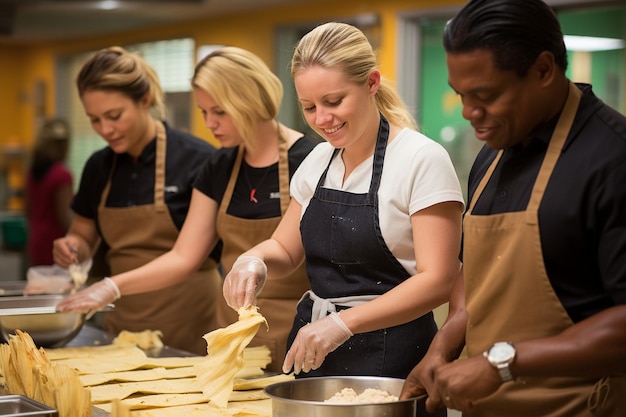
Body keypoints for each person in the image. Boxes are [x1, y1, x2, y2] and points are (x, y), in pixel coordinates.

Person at [399, 1, 626, 416]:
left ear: (543, 70)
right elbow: (485, 274)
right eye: (461, 96)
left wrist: (502, 362)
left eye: (486, 95)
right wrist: (444, 344)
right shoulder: (492, 155)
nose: (469, 113)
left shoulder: (612, 160)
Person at [223, 21, 464, 391]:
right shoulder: (318, 160)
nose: (322, 119)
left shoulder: (421, 159)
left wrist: (342, 324)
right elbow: (285, 249)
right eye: (308, 107)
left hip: (393, 355)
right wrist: (253, 259)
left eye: (334, 102)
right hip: (312, 348)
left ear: (371, 83)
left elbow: (438, 280)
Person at [56, 46, 318, 369]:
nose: (209, 123)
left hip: (300, 333)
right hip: (233, 340)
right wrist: (111, 286)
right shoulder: (218, 166)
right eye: (204, 111)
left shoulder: (311, 161)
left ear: (250, 100)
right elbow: (184, 256)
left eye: (219, 112)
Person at [52, 46, 222, 355]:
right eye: (94, 120)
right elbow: (83, 235)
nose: (106, 129)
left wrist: (111, 285)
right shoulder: (98, 166)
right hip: (123, 326)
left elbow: (189, 255)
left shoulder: (198, 160)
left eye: (114, 116)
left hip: (192, 324)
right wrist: (72, 246)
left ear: (144, 100)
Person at [25, 118, 73, 267]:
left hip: (36, 239)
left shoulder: (32, 172)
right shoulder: (61, 175)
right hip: (55, 243)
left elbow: (27, 210)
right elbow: (63, 217)